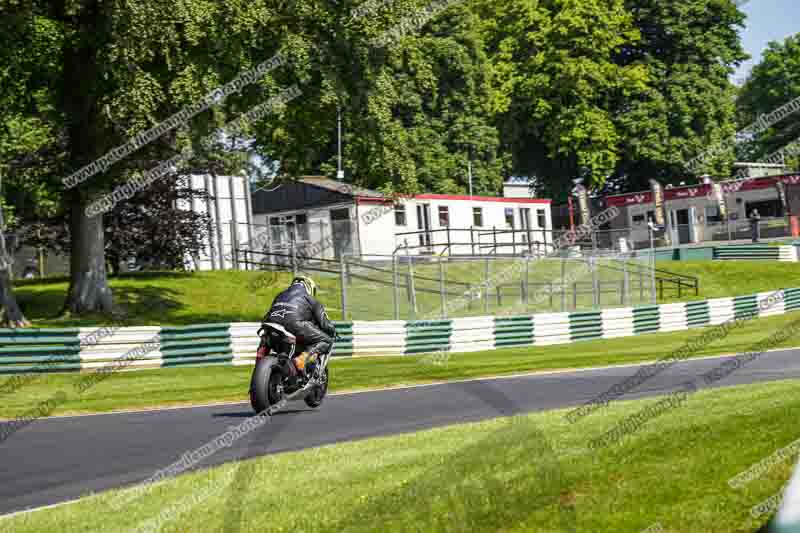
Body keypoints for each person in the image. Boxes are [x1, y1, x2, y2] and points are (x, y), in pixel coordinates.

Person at [263, 276, 337, 376]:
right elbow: (325, 324)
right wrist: (333, 331)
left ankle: (261, 356)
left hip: (271, 324)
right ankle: (301, 359)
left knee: (264, 341)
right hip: (295, 326)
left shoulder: (280, 295)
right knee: (327, 340)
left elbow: (268, 314)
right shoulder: (310, 299)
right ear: (309, 287)